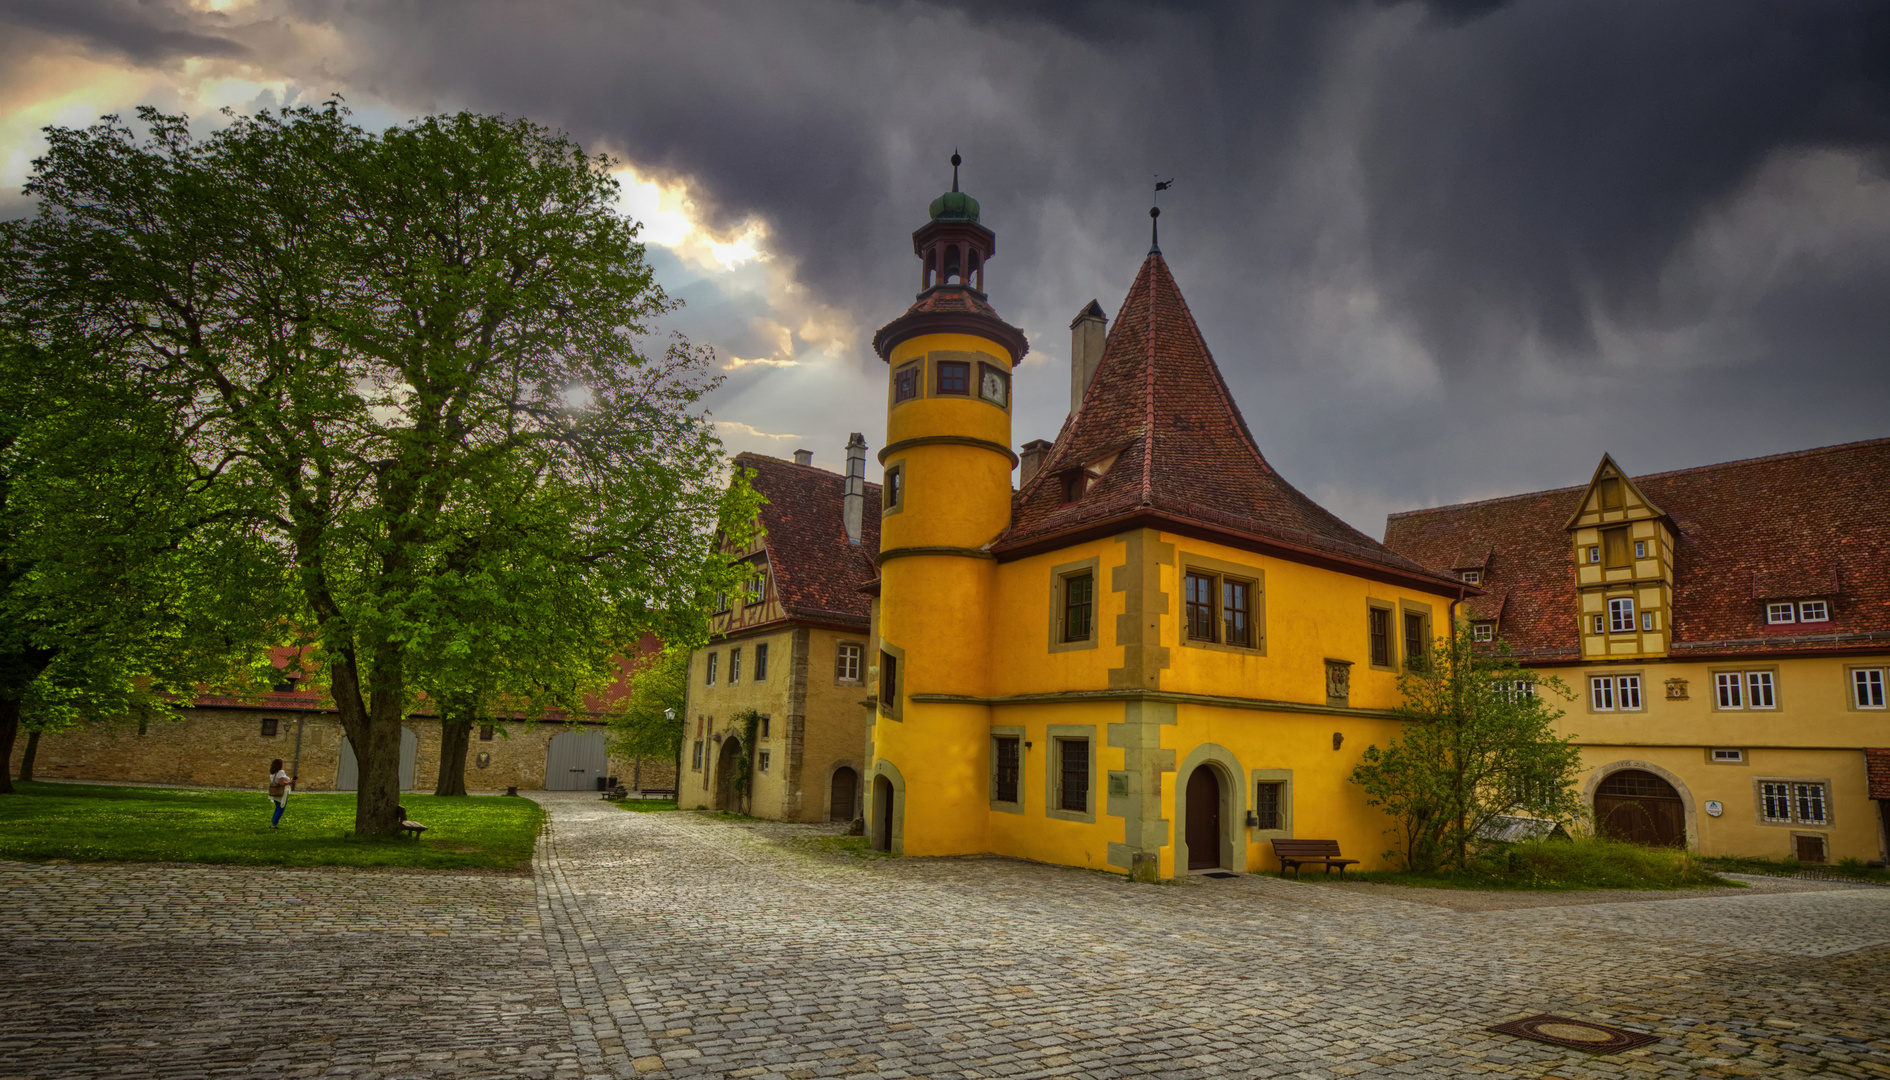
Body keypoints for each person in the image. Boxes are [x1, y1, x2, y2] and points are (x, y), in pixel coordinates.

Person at [268, 758, 296, 830]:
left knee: (277, 808)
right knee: (281, 808)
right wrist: (290, 782)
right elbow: (282, 783)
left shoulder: (272, 773)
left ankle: (273, 822)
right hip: (281, 792)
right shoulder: (280, 772)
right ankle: (274, 824)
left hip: (275, 792)